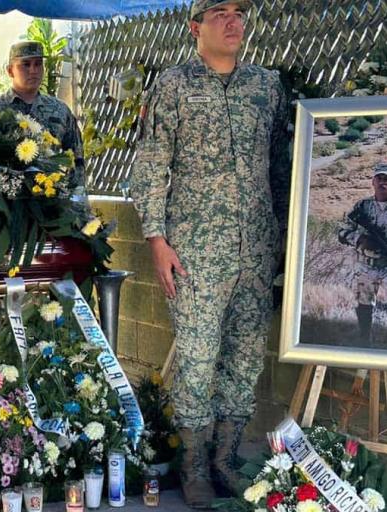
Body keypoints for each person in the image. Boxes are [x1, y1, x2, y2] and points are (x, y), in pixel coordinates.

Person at [129, 0, 290, 506]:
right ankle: (194, 465)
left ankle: (224, 461)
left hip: (257, 250)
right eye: (219, 11)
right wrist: (156, 241)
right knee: (197, 360)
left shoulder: (267, 88)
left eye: (240, 11)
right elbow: (151, 165)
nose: (233, 20)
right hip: (195, 250)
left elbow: (283, 167)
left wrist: (289, 239)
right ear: (195, 25)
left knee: (244, 360)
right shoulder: (173, 86)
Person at [0, 41, 86, 191]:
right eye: (25, 64)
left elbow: (76, 160)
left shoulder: (60, 110)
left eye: (38, 64)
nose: (33, 70)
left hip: (53, 201)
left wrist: (75, 200)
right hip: (7, 202)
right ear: (10, 71)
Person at [338, 162, 387, 347]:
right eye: (380, 178)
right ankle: (364, 339)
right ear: (373, 182)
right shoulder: (362, 207)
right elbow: (342, 231)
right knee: (365, 302)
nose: (383, 182)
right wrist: (360, 240)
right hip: (367, 265)